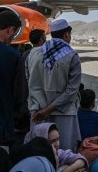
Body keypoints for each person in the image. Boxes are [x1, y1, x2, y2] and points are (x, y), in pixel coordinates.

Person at [27, 19, 81, 151]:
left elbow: (29, 81)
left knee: (40, 152)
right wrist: (49, 109)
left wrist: (43, 110)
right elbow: (71, 91)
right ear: (67, 34)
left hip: (38, 113)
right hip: (64, 114)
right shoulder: (72, 55)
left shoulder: (33, 54)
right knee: (63, 152)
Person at [0, 9, 28, 148]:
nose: (13, 38)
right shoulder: (13, 56)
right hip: (0, 127)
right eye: (14, 33)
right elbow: (20, 95)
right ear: (10, 30)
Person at [23, 123, 88, 172]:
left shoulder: (58, 153)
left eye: (58, 139)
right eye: (52, 141)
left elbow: (81, 160)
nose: (57, 144)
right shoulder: (31, 162)